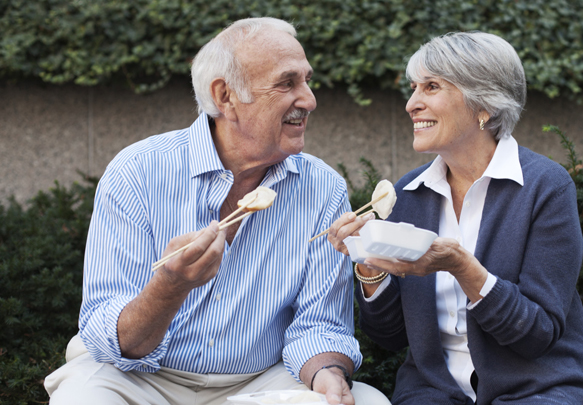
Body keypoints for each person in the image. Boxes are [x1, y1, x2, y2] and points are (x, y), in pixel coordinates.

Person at [44, 17, 390, 405]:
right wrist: (170, 287)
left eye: (307, 81)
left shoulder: (323, 187)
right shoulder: (137, 171)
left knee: (369, 401)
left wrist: (327, 373)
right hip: (139, 377)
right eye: (287, 82)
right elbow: (110, 339)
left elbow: (320, 324)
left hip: (259, 380)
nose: (309, 99)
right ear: (225, 96)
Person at [327, 32, 583, 404]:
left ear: (483, 105)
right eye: (413, 88)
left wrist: (462, 267)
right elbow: (391, 336)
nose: (411, 104)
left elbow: (536, 333)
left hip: (539, 389)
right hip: (434, 393)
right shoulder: (408, 193)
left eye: (431, 87)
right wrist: (368, 262)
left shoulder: (546, 187)